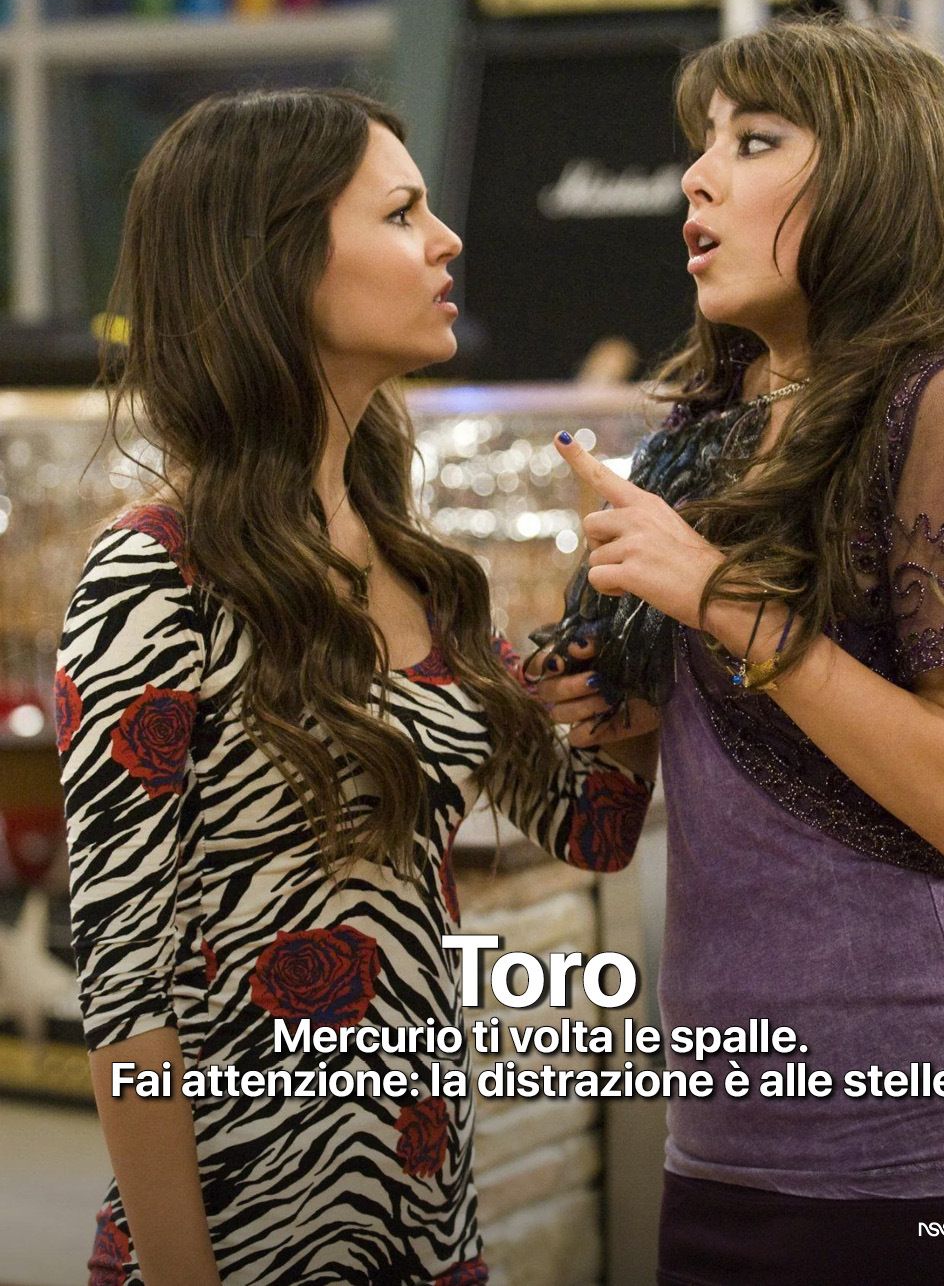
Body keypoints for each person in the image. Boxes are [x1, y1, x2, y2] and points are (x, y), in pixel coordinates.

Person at [54, 87, 655, 1286]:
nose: (448, 239)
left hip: (425, 1227)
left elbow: (591, 829)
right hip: (242, 1242)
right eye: (400, 213)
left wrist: (637, 660)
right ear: (278, 263)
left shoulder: (417, 564)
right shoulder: (153, 577)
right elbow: (126, 994)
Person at [537, 18, 944, 1285]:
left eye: (755, 141)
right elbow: (642, 808)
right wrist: (594, 703)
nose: (696, 177)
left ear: (878, 176)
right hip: (720, 1147)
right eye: (703, 144)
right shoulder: (705, 431)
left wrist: (720, 600)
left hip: (911, 1161)